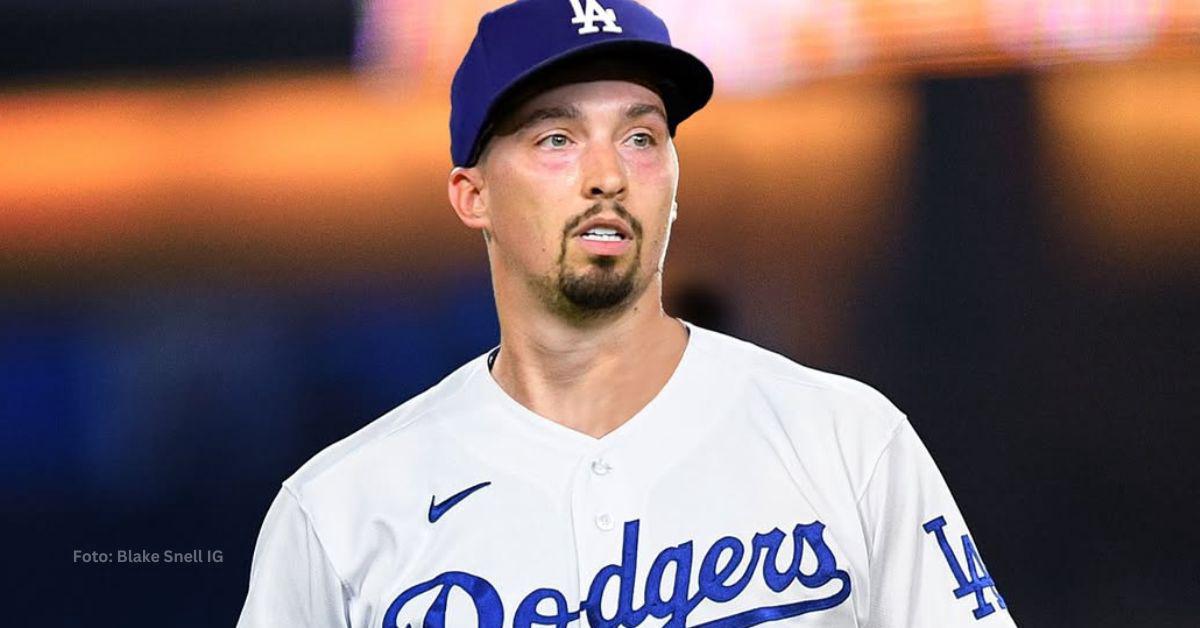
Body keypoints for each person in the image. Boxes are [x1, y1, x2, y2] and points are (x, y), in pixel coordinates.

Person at [236, 1, 1018, 626]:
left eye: (641, 136)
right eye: (556, 139)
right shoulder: (339, 510)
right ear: (472, 195)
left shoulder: (848, 442)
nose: (607, 174)